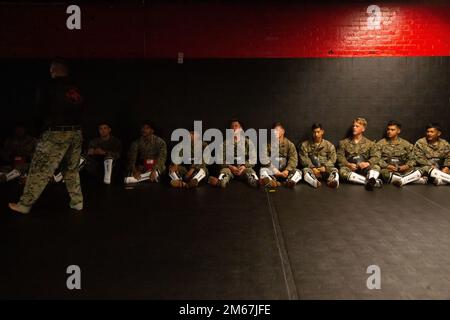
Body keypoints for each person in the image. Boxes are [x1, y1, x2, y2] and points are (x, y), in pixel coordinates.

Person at [9, 59, 85, 214]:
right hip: (76, 133)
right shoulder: (77, 89)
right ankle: (77, 202)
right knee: (71, 169)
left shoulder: (49, 86)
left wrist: (38, 132)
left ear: (53, 71)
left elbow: (39, 110)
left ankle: (24, 205)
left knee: (39, 169)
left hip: (55, 133)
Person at [208, 119, 259, 188]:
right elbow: (219, 159)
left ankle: (258, 182)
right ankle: (220, 182)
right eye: (232, 127)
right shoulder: (224, 143)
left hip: (243, 169)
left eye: (236, 126)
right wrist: (230, 166)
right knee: (224, 173)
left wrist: (244, 166)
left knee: (250, 172)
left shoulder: (248, 142)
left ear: (241, 129)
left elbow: (253, 158)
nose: (233, 128)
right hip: (229, 169)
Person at [337, 117, 382, 191]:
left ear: (363, 129)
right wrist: (348, 164)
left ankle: (370, 180)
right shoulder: (343, 143)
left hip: (364, 168)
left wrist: (368, 163)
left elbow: (376, 156)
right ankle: (371, 182)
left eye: (357, 126)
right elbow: (340, 156)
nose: (354, 128)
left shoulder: (370, 143)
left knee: (376, 167)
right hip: (351, 168)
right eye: (353, 126)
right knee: (342, 171)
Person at [376, 121, 422, 187]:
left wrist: (406, 166)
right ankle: (409, 180)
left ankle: (401, 180)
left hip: (403, 169)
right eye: (388, 129)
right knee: (383, 172)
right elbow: (377, 158)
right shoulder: (380, 143)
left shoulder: (406, 144)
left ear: (398, 131)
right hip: (389, 170)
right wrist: (387, 166)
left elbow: (413, 159)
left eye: (392, 130)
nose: (389, 131)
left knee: (419, 169)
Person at [259, 122, 302, 188]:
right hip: (273, 171)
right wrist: (275, 170)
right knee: (262, 170)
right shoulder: (267, 144)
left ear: (283, 131)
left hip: (285, 172)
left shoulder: (289, 144)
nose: (274, 132)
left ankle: (288, 182)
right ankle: (273, 182)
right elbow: (264, 158)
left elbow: (294, 158)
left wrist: (287, 170)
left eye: (277, 130)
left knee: (298, 172)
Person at [299, 123, 339, 188]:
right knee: (305, 170)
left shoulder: (329, 145)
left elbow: (333, 158)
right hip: (312, 170)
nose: (316, 134)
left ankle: (333, 181)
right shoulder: (305, 145)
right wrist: (312, 167)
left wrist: (325, 167)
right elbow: (303, 158)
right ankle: (314, 182)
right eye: (314, 132)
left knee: (334, 170)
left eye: (318, 132)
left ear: (322, 132)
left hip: (325, 170)